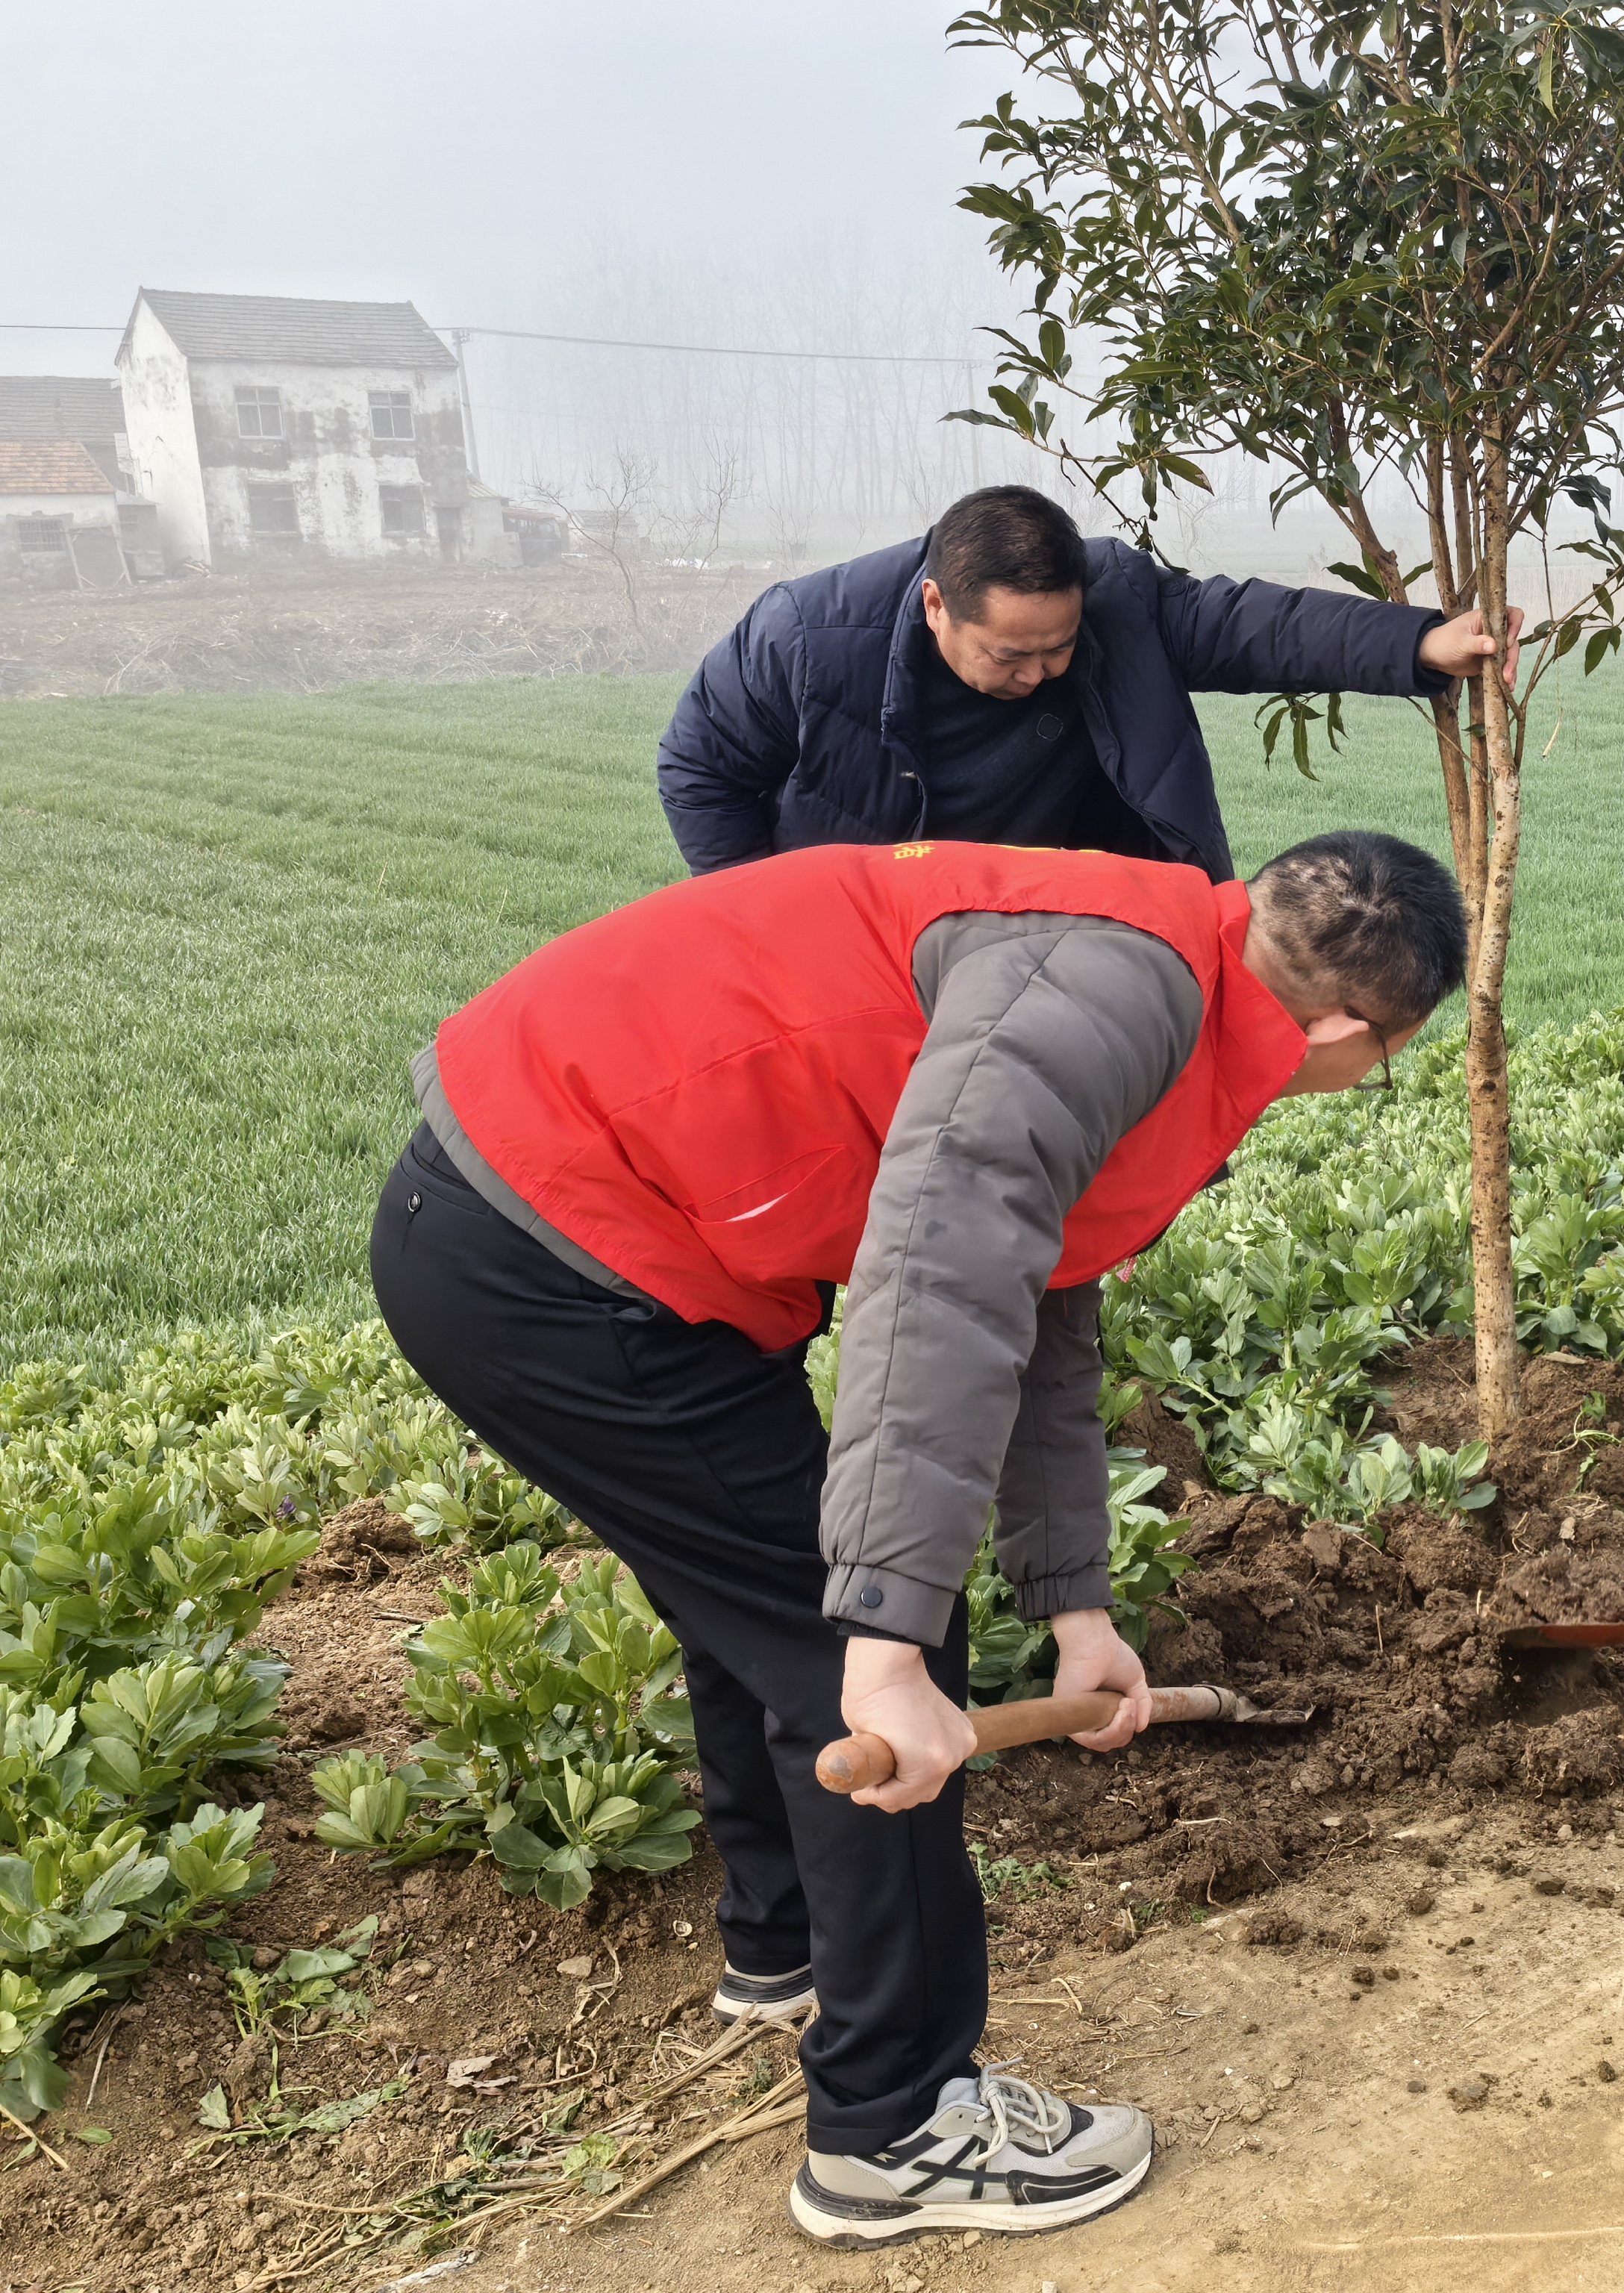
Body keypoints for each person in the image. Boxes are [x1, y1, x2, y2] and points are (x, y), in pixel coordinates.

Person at [369, 829, 1464, 2244]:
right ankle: (894, 2125)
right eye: (1377, 1062)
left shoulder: (1169, 966)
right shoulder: (1109, 1000)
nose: (1348, 1084)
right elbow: (943, 1272)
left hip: (575, 1225)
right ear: (1341, 1027)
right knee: (861, 1635)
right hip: (554, 1247)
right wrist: (889, 1637)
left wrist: (1075, 1598)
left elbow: (1043, 1297)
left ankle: (788, 1950)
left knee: (773, 1584)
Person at [658, 483, 1514, 878]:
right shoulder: (803, 637)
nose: (1038, 674)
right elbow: (699, 768)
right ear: (935, 605)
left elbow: (1257, 626)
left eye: (1057, 649)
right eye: (1009, 655)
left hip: (1048, 914)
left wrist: (1422, 644)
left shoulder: (1117, 600)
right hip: (870, 926)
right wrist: (768, 916)